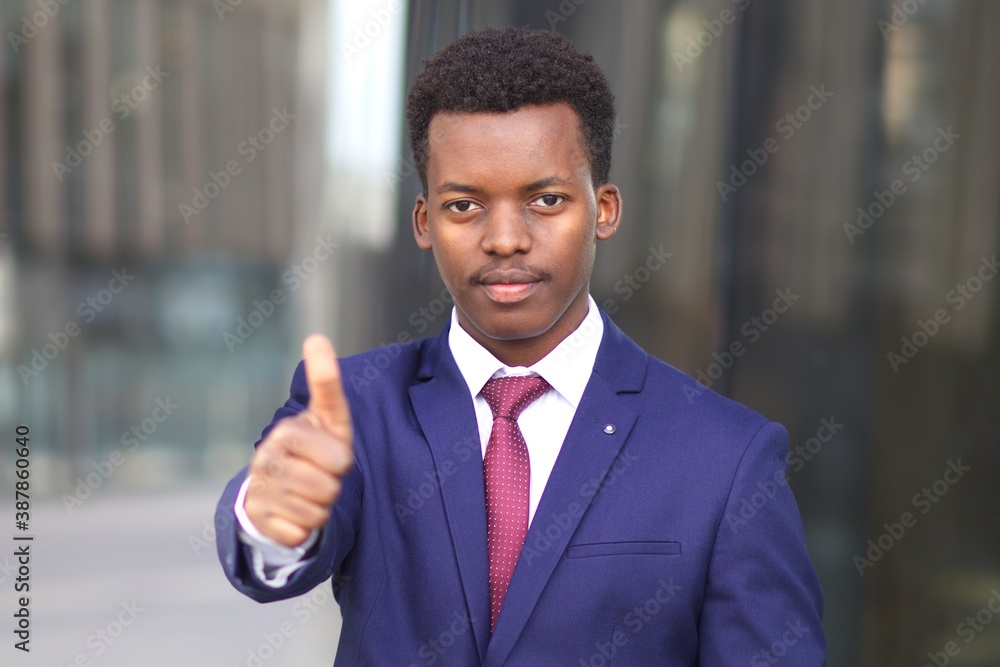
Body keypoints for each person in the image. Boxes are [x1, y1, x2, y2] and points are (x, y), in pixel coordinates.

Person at [216, 26, 826, 666]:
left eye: (546, 199)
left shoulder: (726, 458)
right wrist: (270, 517)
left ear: (604, 210)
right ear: (424, 222)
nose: (505, 238)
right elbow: (267, 550)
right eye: (464, 206)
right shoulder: (356, 411)